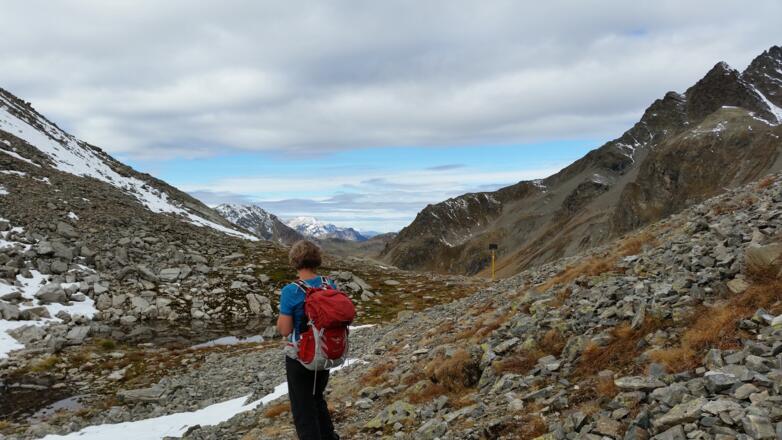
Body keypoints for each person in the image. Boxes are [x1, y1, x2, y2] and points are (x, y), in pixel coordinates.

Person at [277, 240, 340, 440]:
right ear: (316, 260)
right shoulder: (329, 284)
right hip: (325, 351)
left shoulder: (291, 290)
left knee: (302, 408)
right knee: (317, 399)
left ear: (295, 261)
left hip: (301, 357)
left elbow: (285, 330)